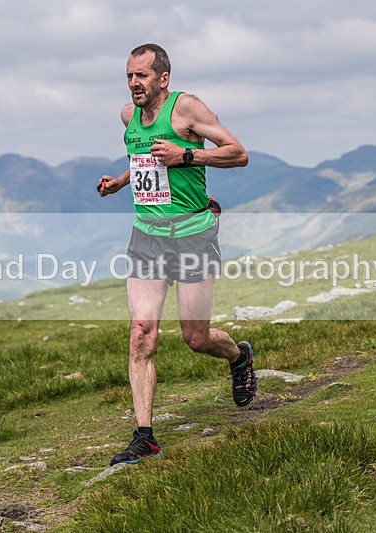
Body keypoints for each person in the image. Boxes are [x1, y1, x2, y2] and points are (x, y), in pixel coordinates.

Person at [98, 43, 256, 466]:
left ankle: (239, 356)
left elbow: (238, 154)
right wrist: (121, 181)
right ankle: (145, 435)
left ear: (162, 79)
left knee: (195, 337)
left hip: (191, 235)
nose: (133, 83)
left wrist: (186, 154)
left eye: (142, 76)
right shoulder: (128, 117)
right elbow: (144, 156)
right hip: (147, 236)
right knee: (141, 331)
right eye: (129, 75)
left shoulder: (188, 109)